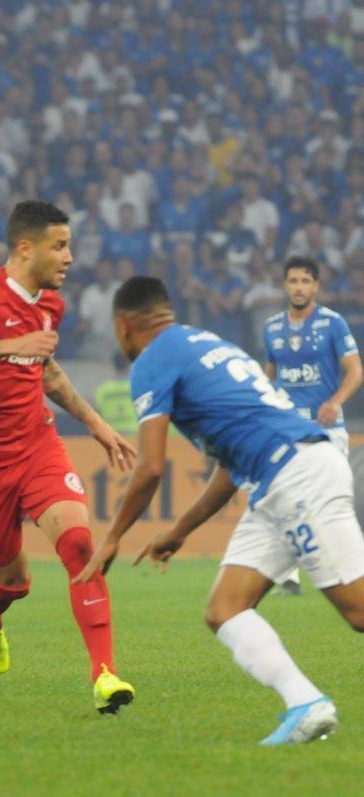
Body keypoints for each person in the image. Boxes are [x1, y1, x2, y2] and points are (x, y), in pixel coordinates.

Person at [78, 275, 364, 745]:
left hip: (297, 476)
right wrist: (180, 530)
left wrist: (111, 537)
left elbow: (150, 466)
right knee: (225, 609)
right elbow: (230, 468)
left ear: (124, 326)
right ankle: (306, 704)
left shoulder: (152, 361)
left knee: (358, 611)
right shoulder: (206, 343)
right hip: (274, 481)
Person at [0, 200, 137, 713]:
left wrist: (96, 425)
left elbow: (45, 370)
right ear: (25, 248)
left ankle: (104, 675)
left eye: (69, 246)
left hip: (36, 444)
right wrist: (9, 343)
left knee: (79, 545)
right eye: (59, 246)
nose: (69, 257)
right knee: (13, 582)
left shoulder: (50, 304)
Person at [263, 257, 363, 596]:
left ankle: (352, 570)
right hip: (288, 429)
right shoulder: (272, 328)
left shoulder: (332, 323)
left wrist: (335, 402)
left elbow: (355, 371)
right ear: (285, 285)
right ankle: (289, 577)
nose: (299, 287)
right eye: (293, 281)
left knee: (335, 501)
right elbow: (270, 377)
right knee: (284, 497)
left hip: (327, 428)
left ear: (316, 286)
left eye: (305, 281)